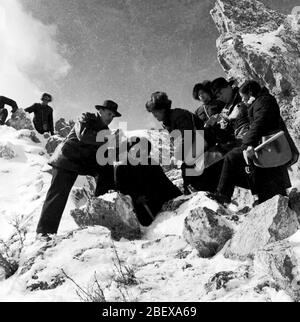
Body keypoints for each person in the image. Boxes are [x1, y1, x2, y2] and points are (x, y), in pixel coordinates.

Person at [36, 100, 122, 238]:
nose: (111, 118)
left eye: (113, 116)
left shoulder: (106, 131)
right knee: (58, 195)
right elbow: (83, 135)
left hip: (83, 162)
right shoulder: (86, 117)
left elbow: (105, 152)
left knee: (106, 167)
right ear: (100, 111)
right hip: (67, 159)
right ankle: (44, 233)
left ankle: (101, 206)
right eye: (109, 113)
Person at [208, 80, 293, 206]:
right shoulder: (250, 104)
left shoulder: (260, 101)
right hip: (260, 143)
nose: (243, 101)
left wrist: (248, 143)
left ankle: (223, 195)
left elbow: (259, 123)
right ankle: (264, 198)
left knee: (233, 159)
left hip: (267, 144)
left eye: (244, 98)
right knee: (264, 181)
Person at [145, 91, 223, 194]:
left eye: (155, 111)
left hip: (204, 140)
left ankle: (196, 192)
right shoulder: (167, 121)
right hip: (197, 145)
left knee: (189, 167)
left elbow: (188, 137)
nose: (154, 115)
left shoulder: (178, 115)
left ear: (162, 109)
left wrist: (178, 155)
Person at [115, 137, 182, 226]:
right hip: (139, 208)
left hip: (158, 202)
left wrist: (181, 197)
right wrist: (135, 198)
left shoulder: (152, 164)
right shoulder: (122, 169)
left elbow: (166, 183)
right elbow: (122, 191)